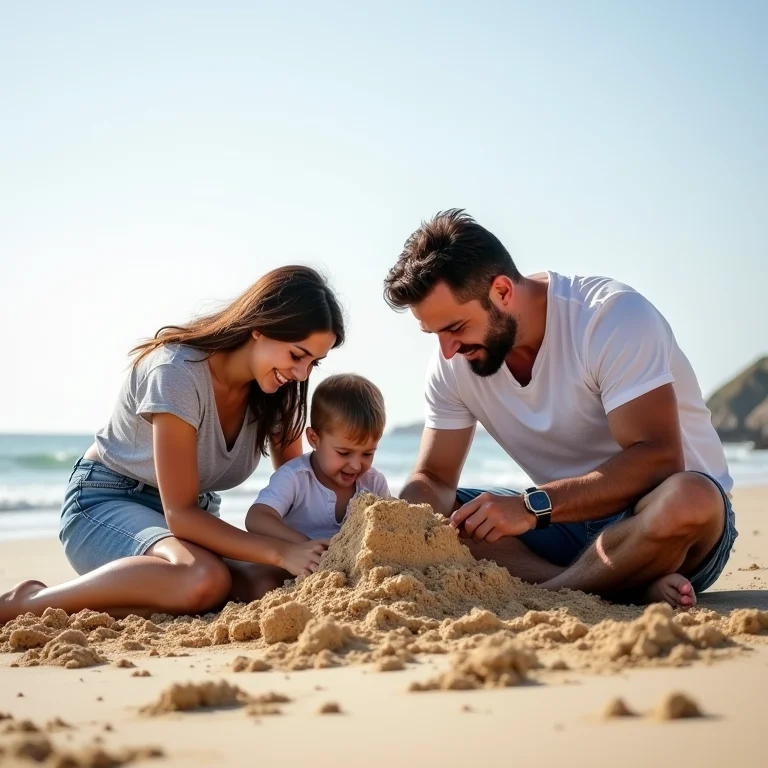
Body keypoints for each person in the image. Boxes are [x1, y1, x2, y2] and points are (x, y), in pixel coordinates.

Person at [384, 209, 737, 609]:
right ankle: (610, 585)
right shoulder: (453, 363)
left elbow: (659, 458)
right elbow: (433, 477)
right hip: (564, 528)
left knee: (690, 498)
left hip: (664, 523)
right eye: (435, 334)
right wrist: (402, 526)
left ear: (502, 291)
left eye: (455, 328)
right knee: (445, 518)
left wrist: (530, 506)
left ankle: (554, 593)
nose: (447, 350)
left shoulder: (610, 317)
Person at [0, 265, 344, 623]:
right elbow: (180, 514)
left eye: (314, 363)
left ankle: (139, 592)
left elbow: (298, 485)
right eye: (297, 355)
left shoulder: (280, 388)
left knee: (268, 584)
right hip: (109, 502)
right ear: (260, 328)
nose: (303, 374)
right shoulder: (175, 372)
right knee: (203, 579)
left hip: (193, 522)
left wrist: (313, 547)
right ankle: (28, 602)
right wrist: (279, 550)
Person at [245, 373, 390, 590]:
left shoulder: (373, 482)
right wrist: (303, 544)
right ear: (314, 439)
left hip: (346, 574)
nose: (356, 465)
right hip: (294, 565)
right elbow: (256, 518)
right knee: (262, 583)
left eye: (367, 454)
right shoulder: (295, 477)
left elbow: (389, 525)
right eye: (343, 453)